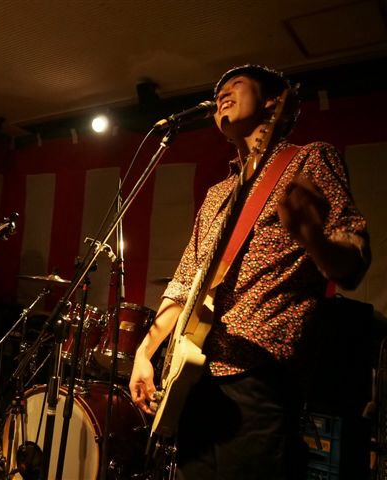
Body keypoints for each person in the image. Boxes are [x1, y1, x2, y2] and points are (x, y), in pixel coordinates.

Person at [129, 65, 371, 479]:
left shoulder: (308, 159)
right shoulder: (217, 194)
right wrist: (144, 353)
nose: (222, 93)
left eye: (236, 84)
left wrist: (315, 239)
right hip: (195, 377)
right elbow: (185, 282)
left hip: (259, 378)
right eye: (218, 90)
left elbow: (355, 259)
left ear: (274, 102)